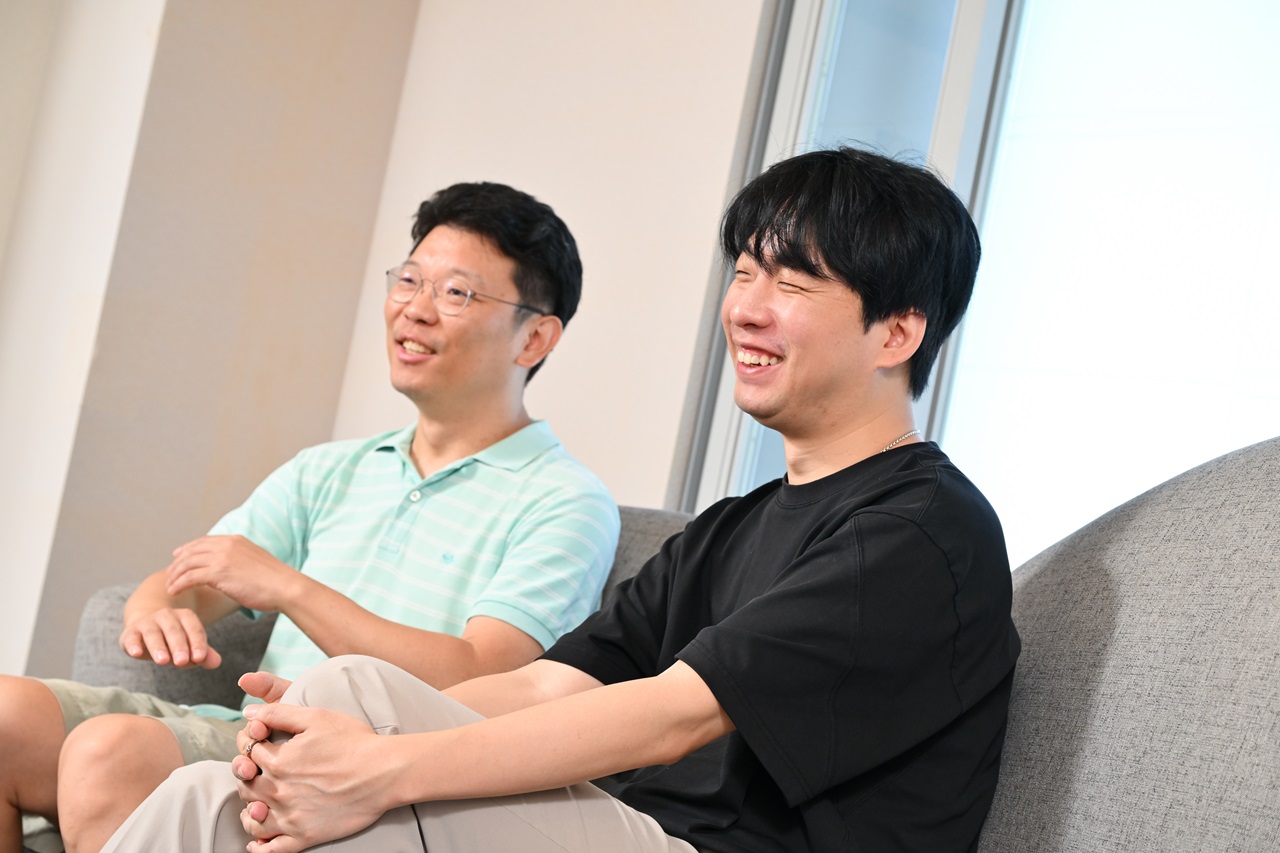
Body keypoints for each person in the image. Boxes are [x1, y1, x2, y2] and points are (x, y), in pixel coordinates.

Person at [104, 147, 1021, 853]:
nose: (746, 307)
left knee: (352, 753)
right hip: (638, 833)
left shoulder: (921, 531)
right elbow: (550, 681)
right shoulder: (731, 528)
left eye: (792, 282)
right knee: (233, 775)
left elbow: (674, 715)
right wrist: (344, 728)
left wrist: (383, 763)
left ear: (897, 332)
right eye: (744, 272)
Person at [0, 182, 620, 853]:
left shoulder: (565, 500)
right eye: (409, 280)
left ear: (534, 337)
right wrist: (156, 608)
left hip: (354, 763)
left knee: (106, 753)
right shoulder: (331, 469)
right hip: (236, 729)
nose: (414, 309)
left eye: (456, 293)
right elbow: (198, 579)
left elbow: (484, 676)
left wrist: (291, 588)